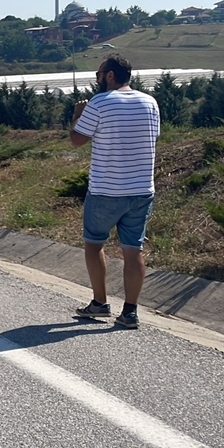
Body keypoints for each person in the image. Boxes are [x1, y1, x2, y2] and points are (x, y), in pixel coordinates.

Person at [70, 54, 160, 329]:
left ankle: (100, 303)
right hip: (142, 189)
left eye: (99, 74)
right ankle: (130, 311)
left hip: (106, 189)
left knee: (94, 243)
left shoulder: (99, 102)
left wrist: (77, 114)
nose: (97, 79)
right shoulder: (150, 102)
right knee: (134, 250)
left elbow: (76, 140)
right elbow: (153, 137)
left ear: (110, 75)